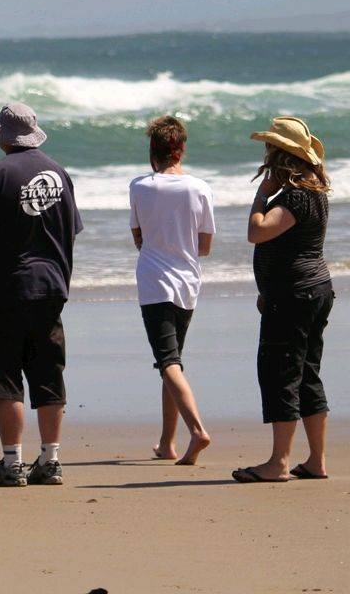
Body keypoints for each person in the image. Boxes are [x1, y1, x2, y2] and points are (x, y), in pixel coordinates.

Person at [0, 104, 83, 488]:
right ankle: (50, 460)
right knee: (48, 372)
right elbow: (69, 234)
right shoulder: (59, 173)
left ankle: (11, 463)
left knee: (5, 377)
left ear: (3, 137)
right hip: (51, 286)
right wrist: (61, 278)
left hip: (5, 289)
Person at [232, 116, 333, 484]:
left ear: (280, 156)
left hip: (295, 294)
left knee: (282, 374)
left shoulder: (294, 196)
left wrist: (262, 193)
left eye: (269, 149)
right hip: (312, 290)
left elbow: (257, 231)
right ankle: (316, 460)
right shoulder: (316, 192)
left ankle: (279, 462)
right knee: (307, 373)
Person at [129, 115, 215, 465]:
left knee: (168, 362)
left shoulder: (140, 186)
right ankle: (167, 442)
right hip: (188, 282)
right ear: (181, 150)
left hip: (155, 282)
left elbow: (138, 238)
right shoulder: (200, 188)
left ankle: (197, 431)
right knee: (172, 361)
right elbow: (205, 246)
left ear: (153, 151)